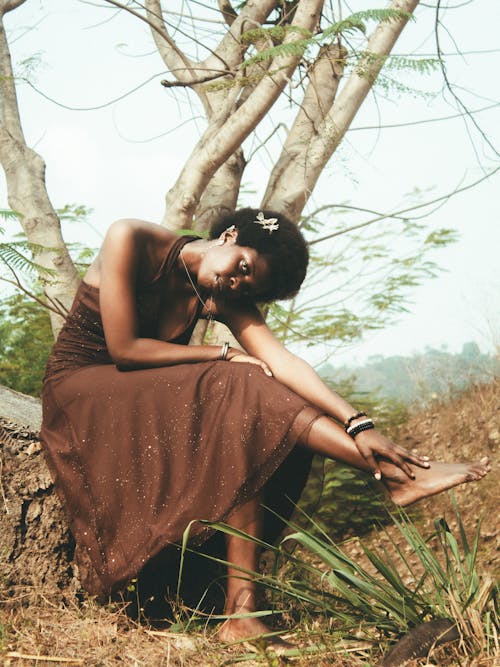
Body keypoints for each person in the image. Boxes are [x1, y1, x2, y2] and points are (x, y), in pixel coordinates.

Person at [40, 208, 490, 643]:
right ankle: (394, 475)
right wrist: (223, 353)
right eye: (241, 267)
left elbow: (283, 362)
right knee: (238, 378)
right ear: (231, 236)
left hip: (141, 394)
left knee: (248, 416)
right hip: (83, 386)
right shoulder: (131, 237)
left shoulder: (220, 292)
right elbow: (124, 350)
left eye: (245, 282)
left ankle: (243, 614)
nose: (234, 282)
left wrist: (357, 421)